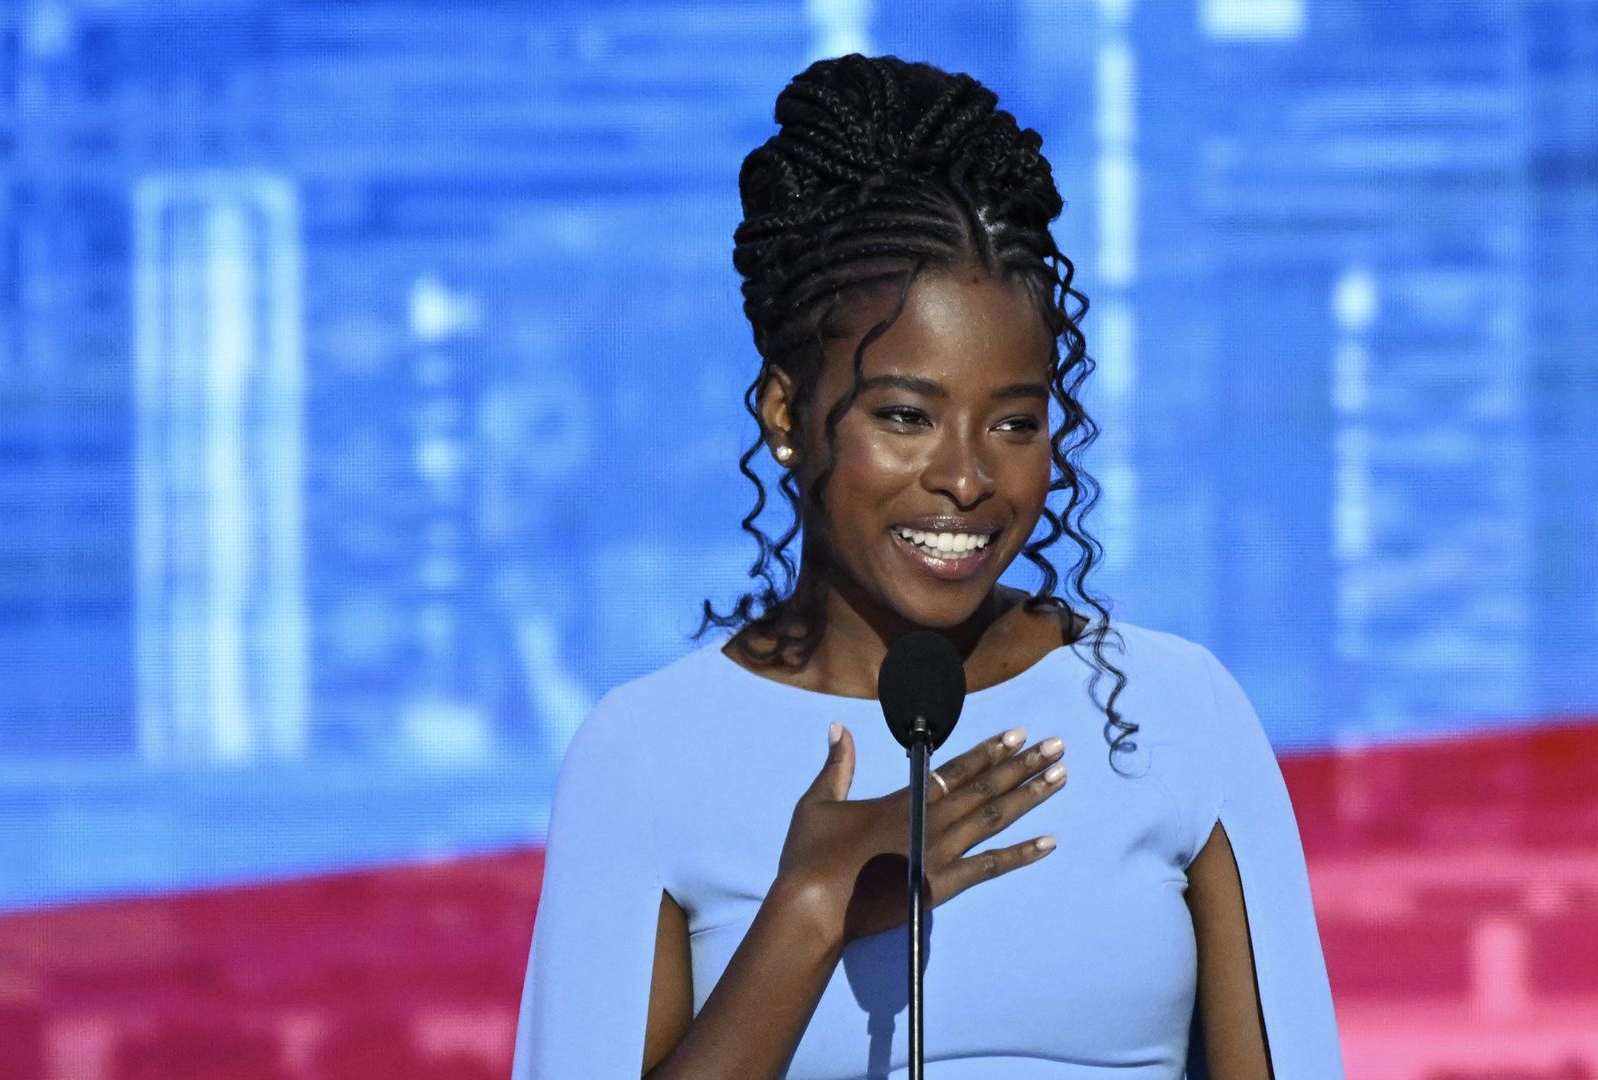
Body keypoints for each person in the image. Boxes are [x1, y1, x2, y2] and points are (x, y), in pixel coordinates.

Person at [510, 54, 1344, 1079]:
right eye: (906, 416)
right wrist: (808, 909)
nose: (965, 478)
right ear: (786, 414)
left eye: (1015, 423)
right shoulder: (644, 754)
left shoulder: (1177, 712)